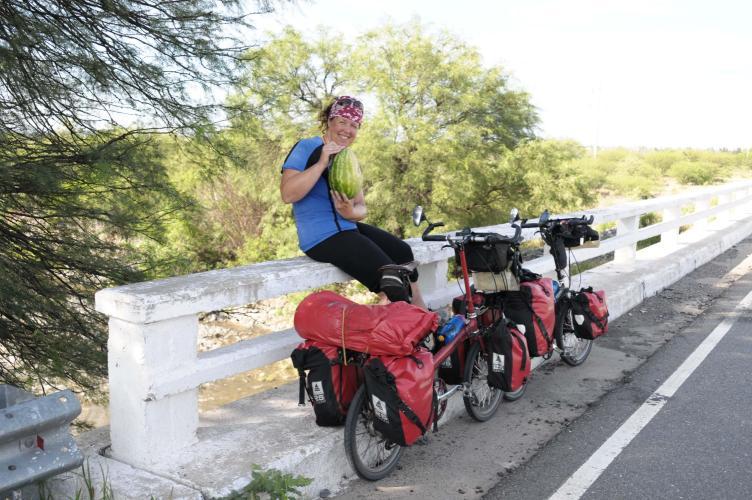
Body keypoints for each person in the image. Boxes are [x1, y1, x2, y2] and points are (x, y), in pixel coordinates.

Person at [280, 95, 426, 309]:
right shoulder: (306, 147)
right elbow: (287, 195)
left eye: (354, 125)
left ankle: (419, 307)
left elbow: (361, 208)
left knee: (403, 253)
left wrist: (349, 212)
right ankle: (410, 324)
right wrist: (322, 163)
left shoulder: (348, 157)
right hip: (322, 237)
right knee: (390, 278)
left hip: (348, 228)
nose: (348, 129)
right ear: (329, 121)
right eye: (342, 122)